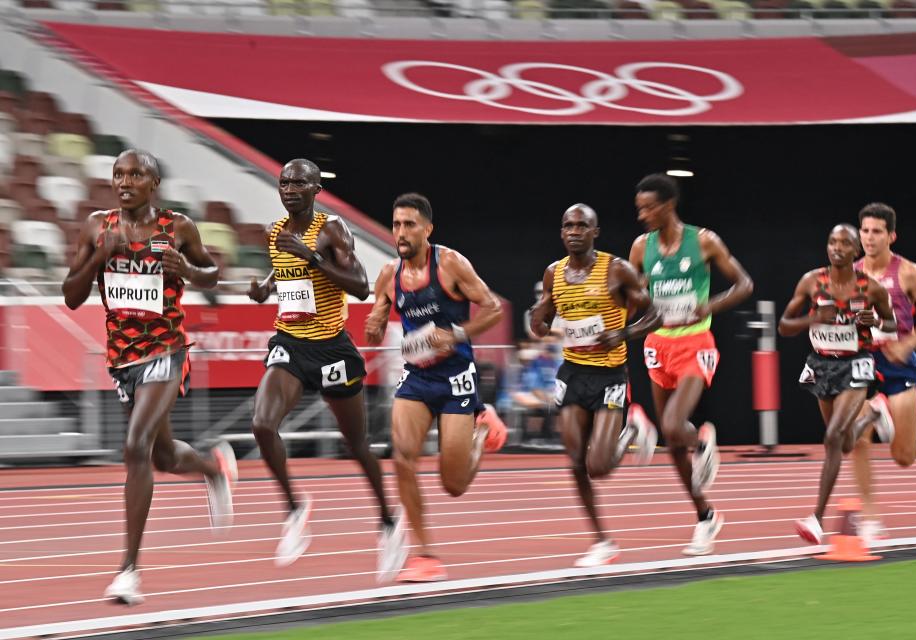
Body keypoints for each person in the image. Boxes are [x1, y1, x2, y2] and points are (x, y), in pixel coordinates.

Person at [62, 149, 236, 605]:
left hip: (166, 351)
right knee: (160, 456)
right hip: (123, 358)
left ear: (153, 182)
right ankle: (212, 469)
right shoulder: (97, 226)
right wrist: (100, 254)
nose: (125, 181)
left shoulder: (178, 227)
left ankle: (129, 571)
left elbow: (215, 277)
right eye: (118, 173)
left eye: (135, 174)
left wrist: (190, 271)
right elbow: (72, 296)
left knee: (135, 447)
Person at [246, 159, 406, 580]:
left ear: (316, 189)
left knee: (356, 444)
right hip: (291, 344)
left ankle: (389, 520)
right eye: (284, 181)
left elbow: (360, 286)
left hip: (332, 349)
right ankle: (295, 509)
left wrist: (313, 257)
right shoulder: (274, 233)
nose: (290, 188)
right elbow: (283, 272)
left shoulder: (331, 229)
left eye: (300, 182)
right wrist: (265, 287)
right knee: (263, 424)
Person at [365, 193, 507, 582]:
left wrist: (456, 333)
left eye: (410, 224)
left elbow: (492, 307)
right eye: (396, 224)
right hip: (417, 376)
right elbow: (379, 307)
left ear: (428, 229)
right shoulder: (389, 273)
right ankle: (425, 555)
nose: (401, 232)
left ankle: (482, 430)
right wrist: (376, 323)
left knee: (454, 484)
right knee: (402, 457)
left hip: (456, 376)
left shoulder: (449, 264)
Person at [529, 204, 661, 567]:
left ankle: (633, 427)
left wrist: (624, 332)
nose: (574, 231)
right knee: (575, 462)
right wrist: (540, 320)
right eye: (568, 225)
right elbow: (543, 319)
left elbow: (655, 313)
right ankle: (602, 540)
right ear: (561, 232)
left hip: (609, 376)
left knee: (598, 466)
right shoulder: (553, 272)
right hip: (572, 373)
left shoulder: (616, 270)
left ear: (595, 232)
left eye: (582, 226)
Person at [628, 174, 753, 556]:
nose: (643, 215)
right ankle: (706, 516)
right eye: (639, 209)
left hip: (696, 341)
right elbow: (634, 296)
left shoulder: (703, 241)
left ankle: (703, 439)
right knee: (672, 446)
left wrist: (708, 306)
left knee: (671, 424)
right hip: (658, 345)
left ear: (668, 205)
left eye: (649, 207)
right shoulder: (640, 247)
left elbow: (745, 284)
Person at [779, 224, 895, 544]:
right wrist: (813, 319)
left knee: (832, 437)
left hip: (856, 363)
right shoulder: (811, 282)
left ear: (857, 251)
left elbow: (892, 322)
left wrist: (878, 322)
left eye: (845, 243)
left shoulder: (871, 288)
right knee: (843, 444)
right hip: (822, 364)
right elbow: (785, 326)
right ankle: (873, 415)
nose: (837, 248)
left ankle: (816, 519)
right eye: (832, 241)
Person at [849, 203, 916, 544]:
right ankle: (870, 517)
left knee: (904, 456)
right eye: (864, 231)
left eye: (877, 231)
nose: (869, 238)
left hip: (899, 365)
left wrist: (909, 345)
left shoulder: (907, 272)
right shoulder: (850, 274)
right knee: (855, 435)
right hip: (865, 365)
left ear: (891, 235)